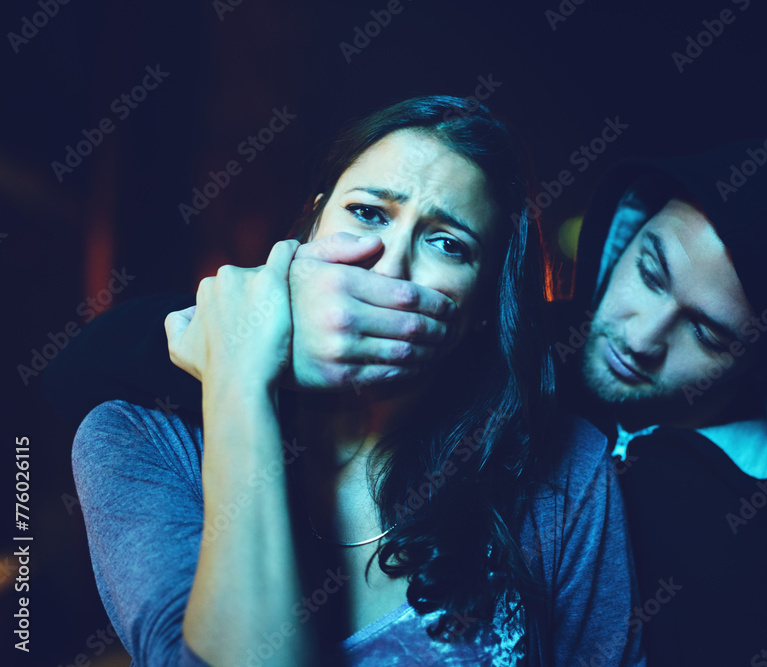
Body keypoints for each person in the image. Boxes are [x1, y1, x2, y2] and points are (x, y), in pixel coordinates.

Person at [67, 96, 643, 666]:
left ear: (487, 306)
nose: (390, 267)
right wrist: (242, 373)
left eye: (447, 243)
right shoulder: (134, 442)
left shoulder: (567, 471)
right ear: (313, 225)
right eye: (368, 213)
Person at [560, 139, 767, 664]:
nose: (643, 338)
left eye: (707, 333)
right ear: (626, 232)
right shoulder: (497, 378)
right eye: (649, 273)